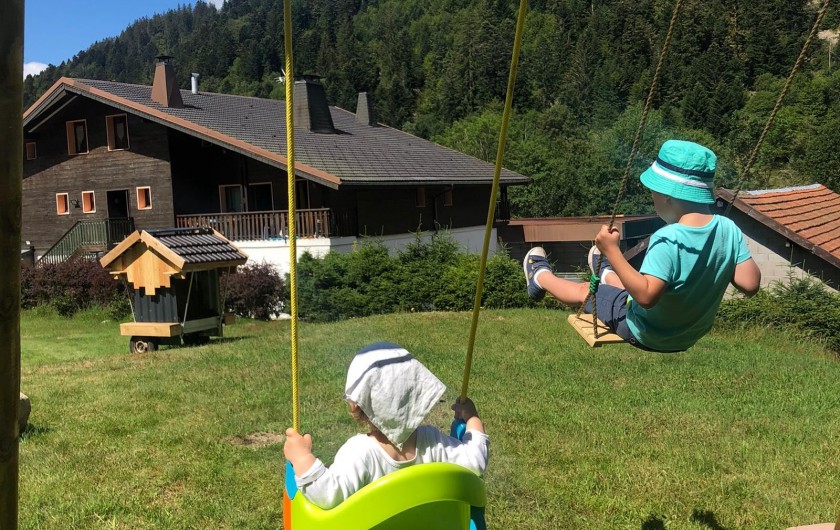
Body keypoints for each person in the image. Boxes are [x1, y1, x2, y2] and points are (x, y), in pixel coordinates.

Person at [523, 139, 762, 353]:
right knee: (629, 289)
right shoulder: (728, 229)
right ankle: (607, 272)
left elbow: (646, 296)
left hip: (646, 332)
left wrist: (612, 250)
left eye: (653, 193)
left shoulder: (667, 238)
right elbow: (750, 284)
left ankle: (540, 277)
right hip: (687, 334)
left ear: (667, 195)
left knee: (587, 291)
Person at [283, 342, 489, 510]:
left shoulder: (360, 453)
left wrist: (302, 457)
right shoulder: (434, 442)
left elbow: (327, 494)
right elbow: (476, 461)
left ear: (356, 405)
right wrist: (472, 418)